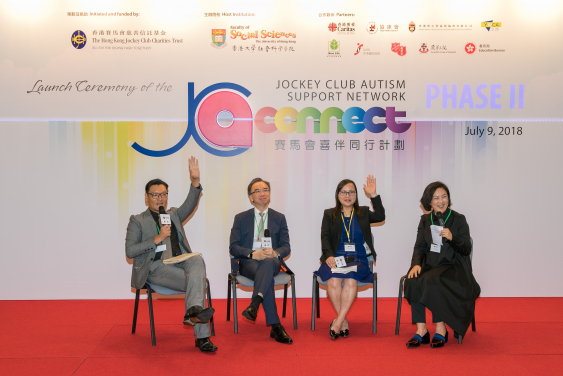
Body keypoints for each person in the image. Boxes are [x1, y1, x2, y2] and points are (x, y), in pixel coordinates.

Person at [125, 157, 218, 352]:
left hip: (182, 262)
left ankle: (192, 312)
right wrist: (157, 238)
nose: (160, 198)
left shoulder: (174, 214)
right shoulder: (137, 221)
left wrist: (195, 181)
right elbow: (130, 251)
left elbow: (191, 203)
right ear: (146, 197)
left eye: (164, 194)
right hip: (157, 268)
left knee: (197, 259)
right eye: (155, 195)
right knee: (198, 284)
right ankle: (202, 336)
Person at [404, 181, 480, 348]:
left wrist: (453, 238)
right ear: (429, 202)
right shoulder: (425, 220)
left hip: (453, 266)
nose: (440, 201)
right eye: (436, 197)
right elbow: (419, 247)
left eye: (444, 196)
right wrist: (416, 264)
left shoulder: (459, 219)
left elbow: (466, 248)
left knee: (433, 281)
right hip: (431, 265)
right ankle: (421, 330)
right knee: (413, 280)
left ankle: (441, 329)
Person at [317, 175, 385, 339]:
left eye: (351, 192)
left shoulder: (364, 212)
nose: (347, 196)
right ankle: (344, 322)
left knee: (351, 280)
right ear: (338, 195)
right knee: (333, 281)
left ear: (356, 195)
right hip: (336, 258)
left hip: (358, 258)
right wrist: (328, 255)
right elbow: (324, 237)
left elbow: (381, 216)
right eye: (343, 192)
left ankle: (337, 322)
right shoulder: (329, 214)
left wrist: (373, 196)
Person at [229, 178, 293, 344]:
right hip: (248, 262)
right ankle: (275, 326)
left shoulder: (279, 218)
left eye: (265, 190)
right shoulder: (241, 218)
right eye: (257, 191)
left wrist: (275, 253)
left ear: (269, 194)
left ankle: (255, 303)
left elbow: (286, 247)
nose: (262, 193)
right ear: (251, 197)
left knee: (268, 262)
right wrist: (252, 254)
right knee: (266, 277)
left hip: (273, 261)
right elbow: (233, 247)